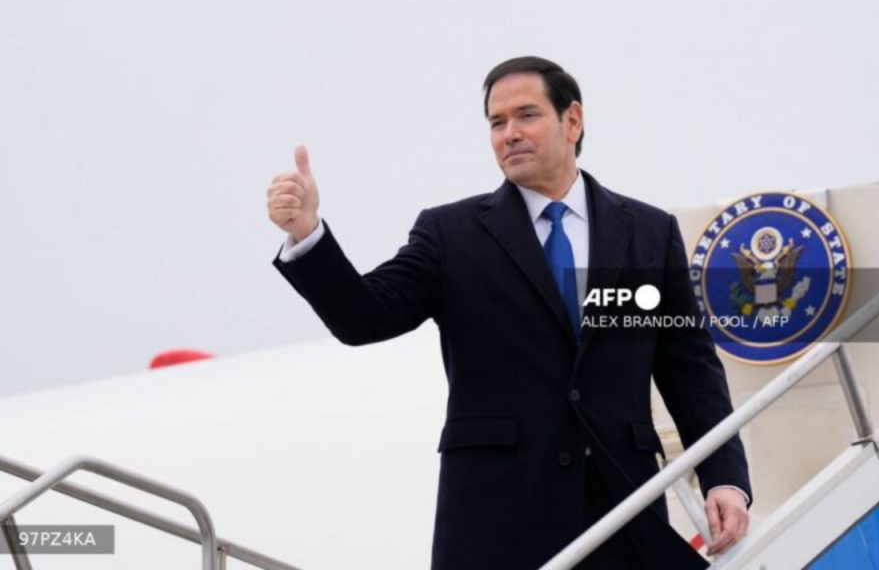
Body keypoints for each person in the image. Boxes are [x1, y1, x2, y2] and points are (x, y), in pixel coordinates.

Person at [267, 56, 751, 569]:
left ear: (572, 121)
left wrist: (723, 476)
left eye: (526, 115)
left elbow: (688, 369)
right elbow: (364, 317)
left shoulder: (649, 233)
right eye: (497, 123)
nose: (509, 134)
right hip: (497, 525)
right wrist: (307, 234)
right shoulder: (450, 235)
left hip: (624, 516)